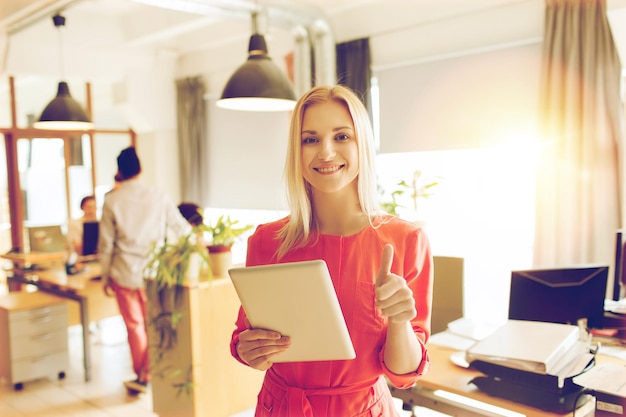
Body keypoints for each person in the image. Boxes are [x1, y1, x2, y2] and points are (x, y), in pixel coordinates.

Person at [229, 85, 433, 416]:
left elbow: (404, 374)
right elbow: (247, 339)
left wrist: (399, 320)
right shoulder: (267, 241)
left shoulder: (405, 240)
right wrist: (250, 349)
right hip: (281, 407)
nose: (325, 152)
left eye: (341, 137)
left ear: (362, 145)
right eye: (310, 139)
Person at [98, 146, 190, 394]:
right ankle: (150, 373)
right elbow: (181, 228)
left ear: (119, 170)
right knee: (153, 324)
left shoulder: (112, 200)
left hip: (124, 274)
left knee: (135, 327)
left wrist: (105, 274)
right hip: (154, 273)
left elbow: (106, 244)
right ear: (140, 169)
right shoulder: (158, 196)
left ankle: (143, 376)